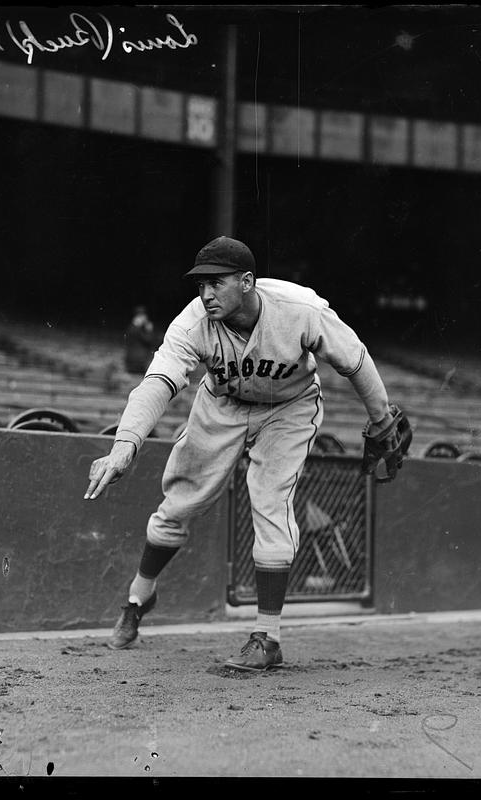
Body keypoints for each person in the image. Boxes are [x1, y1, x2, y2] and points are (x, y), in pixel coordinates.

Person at [85, 236, 402, 672]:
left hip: (289, 408)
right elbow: (158, 380)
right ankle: (139, 596)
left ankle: (268, 636)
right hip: (223, 404)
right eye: (201, 285)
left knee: (270, 500)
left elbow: (356, 361)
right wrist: (125, 443)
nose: (206, 294)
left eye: (216, 282)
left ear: (248, 281)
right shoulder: (192, 323)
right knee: (179, 503)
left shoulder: (299, 309)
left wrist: (382, 418)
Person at [124, 305, 157, 374]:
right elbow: (149, 341)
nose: (145, 318)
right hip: (138, 362)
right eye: (142, 316)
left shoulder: (135, 328)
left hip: (136, 361)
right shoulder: (134, 328)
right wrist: (149, 330)